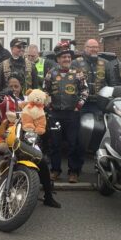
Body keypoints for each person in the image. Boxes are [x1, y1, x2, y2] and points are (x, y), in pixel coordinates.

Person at [0, 74, 61, 209]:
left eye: (16, 86)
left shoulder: (29, 100)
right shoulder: (4, 99)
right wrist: (1, 95)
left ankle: (48, 196)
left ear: (21, 87)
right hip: (4, 137)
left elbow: (42, 107)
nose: (13, 89)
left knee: (41, 161)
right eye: (11, 86)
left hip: (26, 138)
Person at [44, 40, 89, 183]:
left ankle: (73, 172)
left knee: (73, 143)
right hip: (55, 113)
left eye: (69, 57)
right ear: (58, 59)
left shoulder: (78, 74)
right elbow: (45, 91)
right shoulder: (51, 73)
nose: (67, 59)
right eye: (64, 57)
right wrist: (49, 107)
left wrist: (78, 106)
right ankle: (55, 170)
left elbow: (85, 91)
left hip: (72, 113)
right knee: (54, 143)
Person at [71, 39, 115, 113]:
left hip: (100, 103)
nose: (94, 49)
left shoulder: (105, 63)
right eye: (91, 47)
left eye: (96, 47)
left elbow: (112, 83)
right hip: (81, 103)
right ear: (85, 48)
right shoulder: (75, 63)